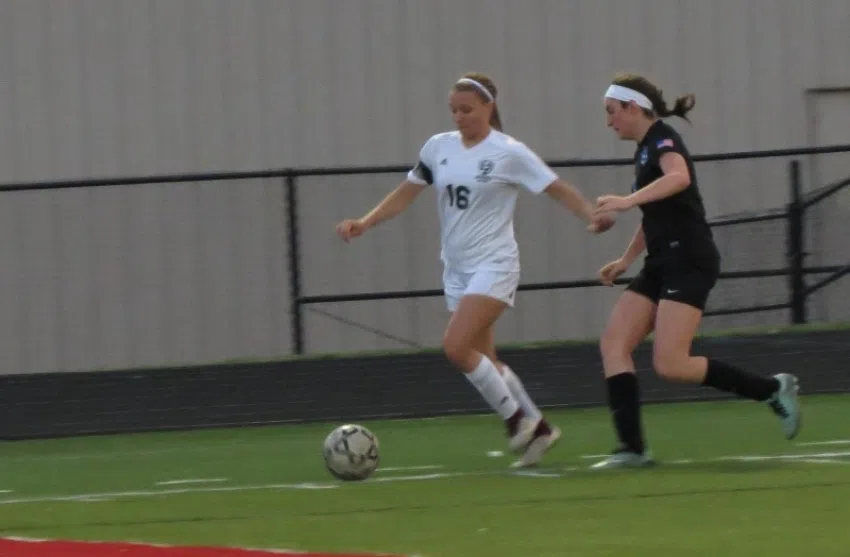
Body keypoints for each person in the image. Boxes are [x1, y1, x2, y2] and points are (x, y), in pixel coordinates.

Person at [336, 72, 614, 468]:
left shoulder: (508, 152)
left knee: (455, 347)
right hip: (457, 268)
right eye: (453, 110)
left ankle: (517, 421)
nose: (459, 117)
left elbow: (555, 187)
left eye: (467, 109)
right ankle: (541, 430)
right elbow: (406, 193)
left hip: (495, 263)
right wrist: (365, 222)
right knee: (487, 360)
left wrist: (590, 214)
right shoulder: (438, 148)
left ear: (488, 107)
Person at [588, 72, 801, 469]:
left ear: (633, 107)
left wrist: (625, 200)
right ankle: (633, 449)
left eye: (611, 111)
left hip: (689, 258)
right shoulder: (643, 151)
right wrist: (626, 260)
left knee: (671, 363)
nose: (608, 121)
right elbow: (655, 213)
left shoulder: (664, 139)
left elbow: (679, 177)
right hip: (661, 260)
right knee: (614, 344)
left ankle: (772, 389)